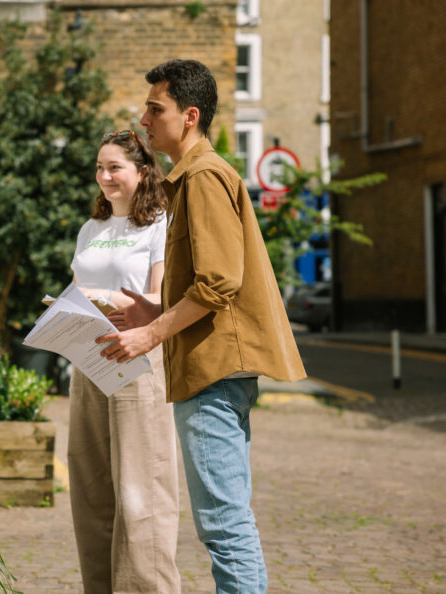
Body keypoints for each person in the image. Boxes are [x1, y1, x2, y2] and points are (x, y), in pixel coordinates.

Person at [96, 60, 306, 593]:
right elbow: (205, 280)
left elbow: (218, 282)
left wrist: (150, 334)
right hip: (209, 368)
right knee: (224, 521)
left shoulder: (204, 177)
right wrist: (152, 312)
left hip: (214, 371)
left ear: (189, 117)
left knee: (223, 525)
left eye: (155, 108)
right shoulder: (188, 178)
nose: (144, 118)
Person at [68, 130, 182, 593]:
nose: (105, 176)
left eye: (115, 167)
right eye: (100, 167)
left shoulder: (159, 225)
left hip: (138, 355)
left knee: (141, 491)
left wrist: (106, 296)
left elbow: (158, 298)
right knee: (91, 487)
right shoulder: (91, 229)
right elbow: (77, 288)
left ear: (142, 171)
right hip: (88, 354)